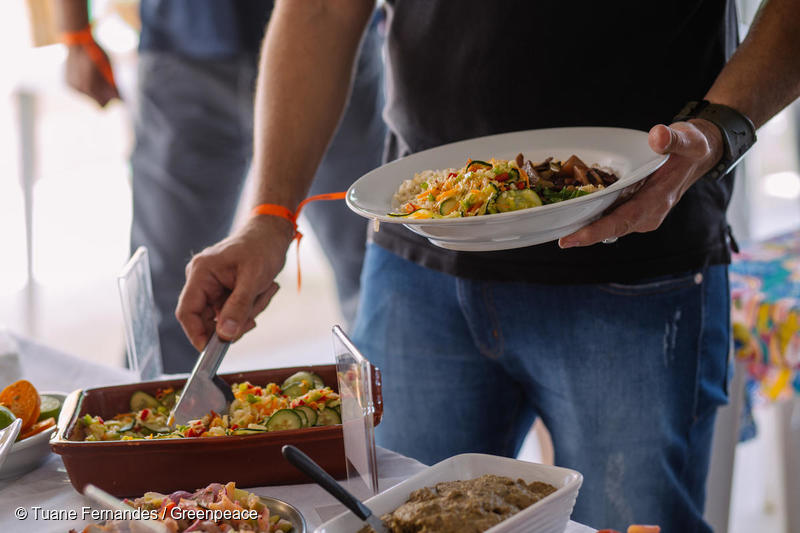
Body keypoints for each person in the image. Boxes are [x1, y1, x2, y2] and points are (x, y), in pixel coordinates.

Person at [175, 0, 800, 530]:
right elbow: (322, 8)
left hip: (642, 266)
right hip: (419, 264)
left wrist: (719, 132)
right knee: (384, 515)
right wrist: (269, 214)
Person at [55, 0, 385, 372]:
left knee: (373, 264)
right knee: (170, 292)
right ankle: (151, 423)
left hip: (330, 43)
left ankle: (393, 412)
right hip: (185, 50)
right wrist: (75, 33)